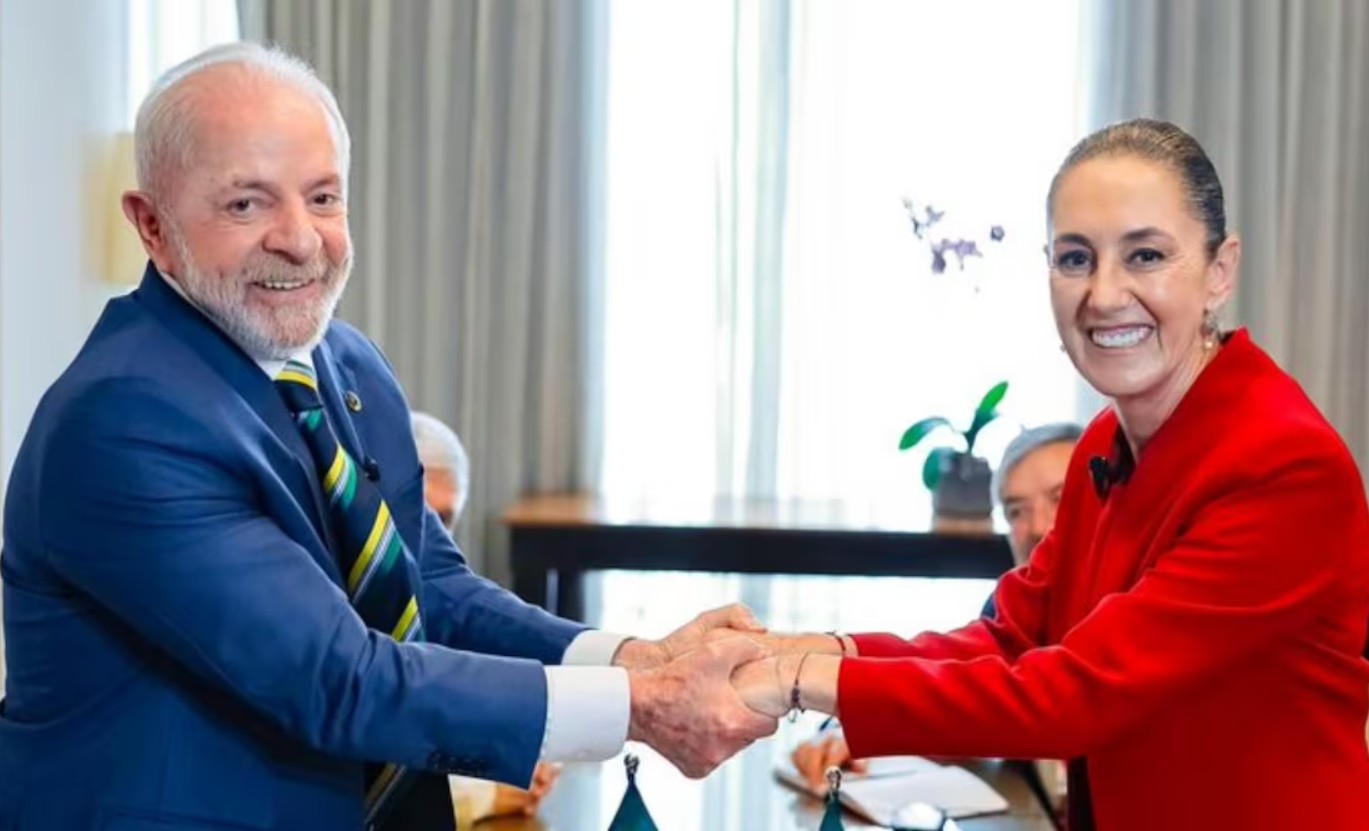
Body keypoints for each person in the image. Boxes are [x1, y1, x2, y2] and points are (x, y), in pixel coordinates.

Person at [0, 43, 776, 831]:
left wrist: (627, 659)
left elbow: (426, 587)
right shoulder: (123, 417)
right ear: (152, 225)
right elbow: (335, 677)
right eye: (246, 204)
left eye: (323, 197)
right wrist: (640, 707)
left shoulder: (347, 362)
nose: (300, 240)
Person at [734, 119, 1369, 830]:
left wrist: (797, 683)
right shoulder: (1108, 438)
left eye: (1146, 255)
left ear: (1219, 271)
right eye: (1075, 259)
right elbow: (1011, 638)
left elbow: (1072, 695)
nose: (1102, 295)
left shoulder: (1282, 465)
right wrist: (807, 648)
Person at [792, 422, 1082, 802]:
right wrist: (845, 731)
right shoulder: (1011, 614)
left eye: (1060, 498)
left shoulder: (1145, 606)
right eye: (1016, 512)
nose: (1038, 528)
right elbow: (954, 694)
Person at [410, 411, 561, 824]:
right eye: (417, 514)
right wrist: (488, 793)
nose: (428, 536)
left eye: (444, 519)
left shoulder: (454, 608)